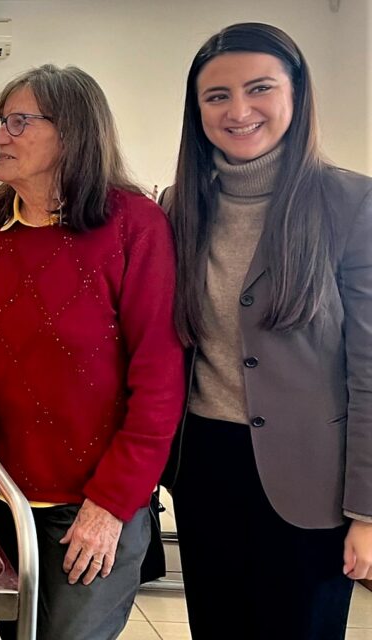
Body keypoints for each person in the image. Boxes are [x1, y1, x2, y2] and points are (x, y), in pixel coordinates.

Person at [0, 65, 184, 640]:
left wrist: (110, 506)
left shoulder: (135, 227)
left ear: (73, 133)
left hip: (90, 504)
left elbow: (160, 382)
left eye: (17, 122)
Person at [163, 22, 371, 638]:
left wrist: (367, 511)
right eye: (217, 96)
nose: (239, 110)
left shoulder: (349, 204)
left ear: (296, 94)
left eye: (260, 89)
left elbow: (370, 368)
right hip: (206, 469)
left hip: (314, 483)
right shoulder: (181, 206)